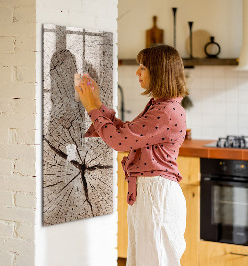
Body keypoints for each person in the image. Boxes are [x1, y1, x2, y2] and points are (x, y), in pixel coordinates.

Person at [75, 44, 188, 266]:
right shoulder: (161, 106)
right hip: (150, 194)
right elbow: (127, 133)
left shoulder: (165, 111)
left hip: (156, 196)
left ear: (159, 71)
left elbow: (119, 141)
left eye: (143, 67)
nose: (137, 72)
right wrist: (97, 104)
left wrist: (91, 108)